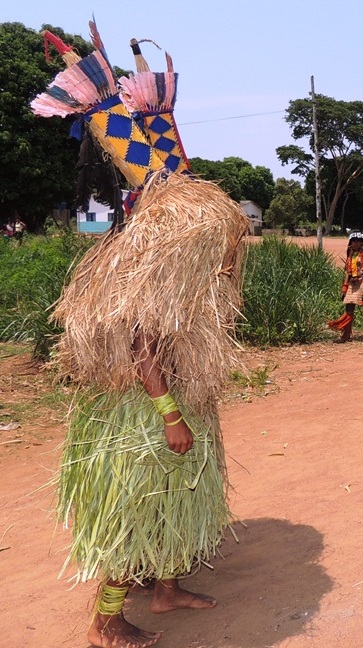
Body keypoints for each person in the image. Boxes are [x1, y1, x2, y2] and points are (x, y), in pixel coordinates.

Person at [34, 24, 246, 648]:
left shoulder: (184, 269)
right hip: (145, 412)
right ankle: (105, 620)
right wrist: (171, 414)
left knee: (177, 500)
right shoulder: (149, 267)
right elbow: (142, 345)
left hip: (178, 402)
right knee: (137, 504)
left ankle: (167, 588)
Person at [328, 232, 363, 342]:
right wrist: (344, 287)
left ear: (362, 242)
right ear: (350, 242)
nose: (356, 243)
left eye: (358, 241)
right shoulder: (350, 253)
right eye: (354, 241)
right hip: (352, 283)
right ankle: (345, 335)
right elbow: (348, 272)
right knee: (349, 309)